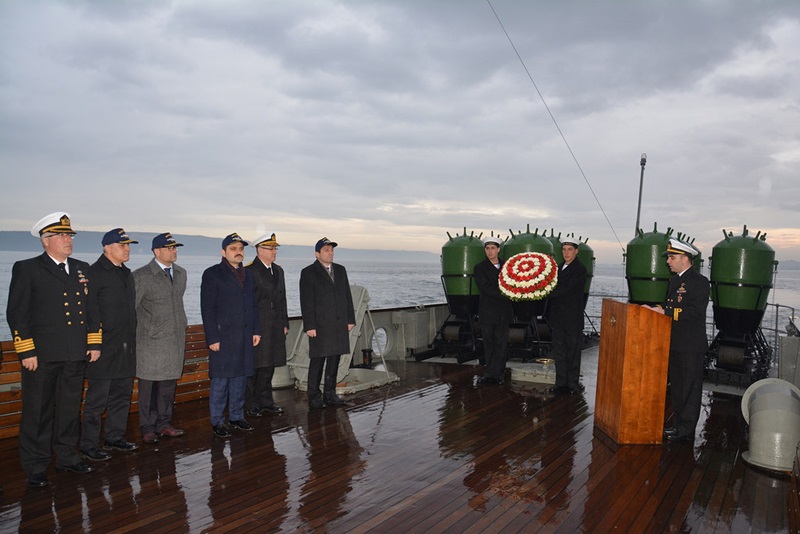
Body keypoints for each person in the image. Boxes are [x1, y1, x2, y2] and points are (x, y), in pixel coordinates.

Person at [7, 212, 101, 487]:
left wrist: (93, 343)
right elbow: (17, 313)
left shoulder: (82, 268)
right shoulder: (27, 268)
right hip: (43, 356)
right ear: (45, 240)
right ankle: (35, 466)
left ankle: (67, 457)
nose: (68, 240)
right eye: (61, 235)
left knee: (70, 409)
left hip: (74, 354)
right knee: (38, 411)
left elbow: (92, 309)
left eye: (69, 235)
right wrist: (26, 350)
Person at [80, 228, 139, 462]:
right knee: (96, 401)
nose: (127, 249)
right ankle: (89, 444)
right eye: (122, 245)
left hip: (126, 346)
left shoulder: (126, 273)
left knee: (122, 397)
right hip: (103, 348)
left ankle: (115, 437)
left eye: (128, 245)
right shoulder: (93, 273)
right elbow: (88, 311)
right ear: (107, 247)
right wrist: (93, 342)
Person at [644, 238, 710, 443]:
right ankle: (678, 425)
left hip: (690, 345)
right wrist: (654, 310)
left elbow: (695, 312)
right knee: (679, 387)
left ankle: (687, 430)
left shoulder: (699, 282)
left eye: (672, 258)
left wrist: (664, 311)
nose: (668, 262)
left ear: (685, 258)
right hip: (674, 342)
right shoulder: (675, 281)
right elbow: (668, 306)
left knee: (690, 388)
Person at [201, 233, 261, 438]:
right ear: (223, 252)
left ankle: (236, 416)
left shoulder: (248, 274)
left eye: (241, 249)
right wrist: (212, 338)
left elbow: (253, 305)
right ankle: (217, 421)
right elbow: (207, 309)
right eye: (233, 249)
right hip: (223, 337)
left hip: (244, 336)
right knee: (221, 381)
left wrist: (256, 330)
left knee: (240, 379)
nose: (238, 252)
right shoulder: (212, 274)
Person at [133, 232, 188, 445]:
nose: (174, 251)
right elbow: (132, 309)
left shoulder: (181, 273)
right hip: (150, 342)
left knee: (167, 385)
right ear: (157, 251)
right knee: (148, 387)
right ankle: (147, 427)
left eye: (175, 247)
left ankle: (164, 424)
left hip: (174, 340)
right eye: (169, 248)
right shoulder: (142, 275)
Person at [299, 237, 355, 409]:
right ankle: (314, 396)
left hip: (338, 325)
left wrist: (350, 319)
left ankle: (330, 394)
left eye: (331, 250)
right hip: (320, 326)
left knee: (334, 360)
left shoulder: (340, 270)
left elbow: (347, 295)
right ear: (317, 254)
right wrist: (310, 326)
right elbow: (306, 301)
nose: (330, 253)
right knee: (318, 361)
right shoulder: (308, 272)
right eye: (326, 250)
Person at [245, 232, 289, 417]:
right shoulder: (249, 271)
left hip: (275, 324)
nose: (274, 252)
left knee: (269, 364)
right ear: (259, 250)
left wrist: (284, 322)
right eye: (270, 248)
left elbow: (282, 299)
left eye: (275, 248)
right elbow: (247, 302)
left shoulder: (278, 270)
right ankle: (251, 403)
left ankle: (266, 400)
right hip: (259, 325)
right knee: (255, 366)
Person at [547, 238, 588, 395]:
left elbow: (566, 289)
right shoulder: (557, 268)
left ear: (576, 251)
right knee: (559, 352)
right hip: (557, 318)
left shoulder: (580, 270)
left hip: (572, 319)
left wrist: (545, 292)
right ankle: (560, 383)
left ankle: (572, 384)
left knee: (572, 352)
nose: (566, 253)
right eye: (564, 250)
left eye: (570, 249)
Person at [473, 236, 513, 386]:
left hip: (503, 312)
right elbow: (485, 288)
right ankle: (489, 374)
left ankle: (499, 374)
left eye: (493, 248)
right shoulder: (479, 268)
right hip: (488, 312)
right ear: (485, 250)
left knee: (501, 344)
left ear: (498, 249)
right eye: (487, 248)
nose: (490, 251)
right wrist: (507, 292)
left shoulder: (508, 267)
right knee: (489, 344)